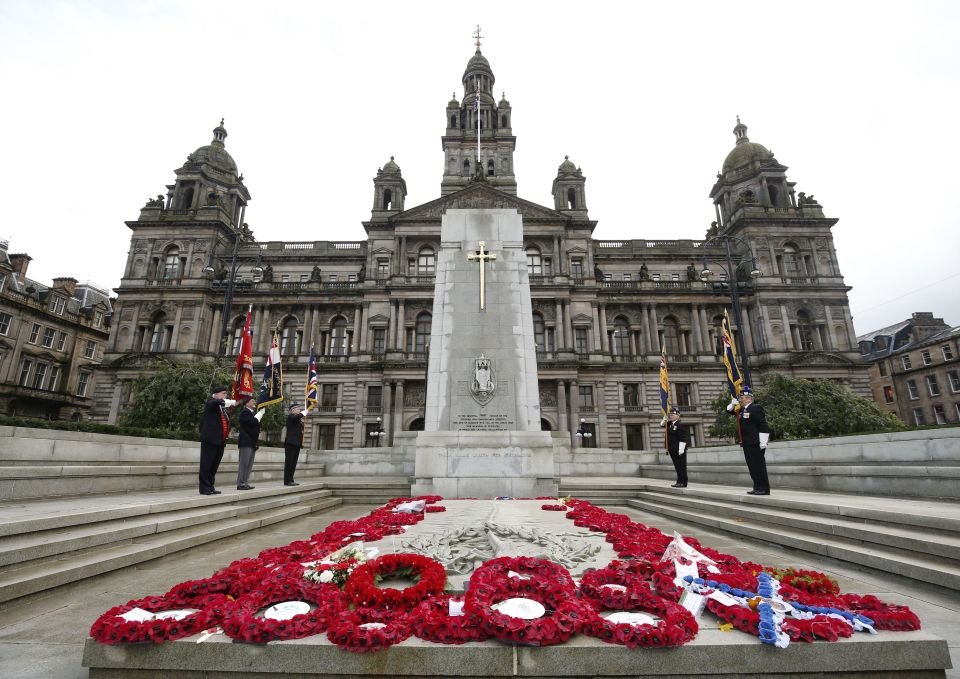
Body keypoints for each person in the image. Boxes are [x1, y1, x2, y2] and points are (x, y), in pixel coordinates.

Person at [727, 386, 771, 495]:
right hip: (747, 443)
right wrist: (732, 404)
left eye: (742, 397)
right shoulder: (742, 410)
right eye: (740, 397)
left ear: (748, 398)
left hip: (756, 442)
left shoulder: (756, 408)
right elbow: (729, 411)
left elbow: (762, 425)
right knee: (752, 466)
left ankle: (764, 488)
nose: (740, 399)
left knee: (759, 466)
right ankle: (757, 487)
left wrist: (763, 442)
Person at [199, 386, 236, 495]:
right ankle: (204, 487)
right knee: (206, 464)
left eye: (226, 393)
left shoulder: (222, 409)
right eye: (223, 393)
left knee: (214, 465)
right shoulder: (211, 402)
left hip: (220, 441)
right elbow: (214, 403)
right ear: (215, 394)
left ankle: (210, 485)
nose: (226, 395)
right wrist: (227, 401)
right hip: (210, 440)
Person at [236, 396, 264, 490]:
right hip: (246, 442)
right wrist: (260, 414)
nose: (254, 402)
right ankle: (240, 483)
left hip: (252, 442)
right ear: (246, 403)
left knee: (249, 464)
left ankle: (245, 482)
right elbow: (252, 422)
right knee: (244, 463)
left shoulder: (252, 413)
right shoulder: (245, 412)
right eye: (252, 400)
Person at [660, 406, 690, 488]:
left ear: (678, 415)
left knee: (681, 466)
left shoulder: (680, 424)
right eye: (670, 414)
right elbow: (662, 425)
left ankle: (683, 482)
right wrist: (664, 419)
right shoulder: (670, 424)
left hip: (679, 449)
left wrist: (681, 449)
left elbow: (683, 438)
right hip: (672, 449)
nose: (671, 416)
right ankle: (679, 481)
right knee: (677, 466)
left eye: (673, 414)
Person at [283, 403, 308, 486]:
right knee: (289, 462)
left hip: (297, 443)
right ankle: (287, 480)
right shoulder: (290, 417)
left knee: (293, 463)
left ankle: (291, 479)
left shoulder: (298, 420)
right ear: (292, 410)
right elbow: (295, 418)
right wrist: (302, 414)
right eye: (297, 409)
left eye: (299, 409)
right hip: (291, 443)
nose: (299, 410)